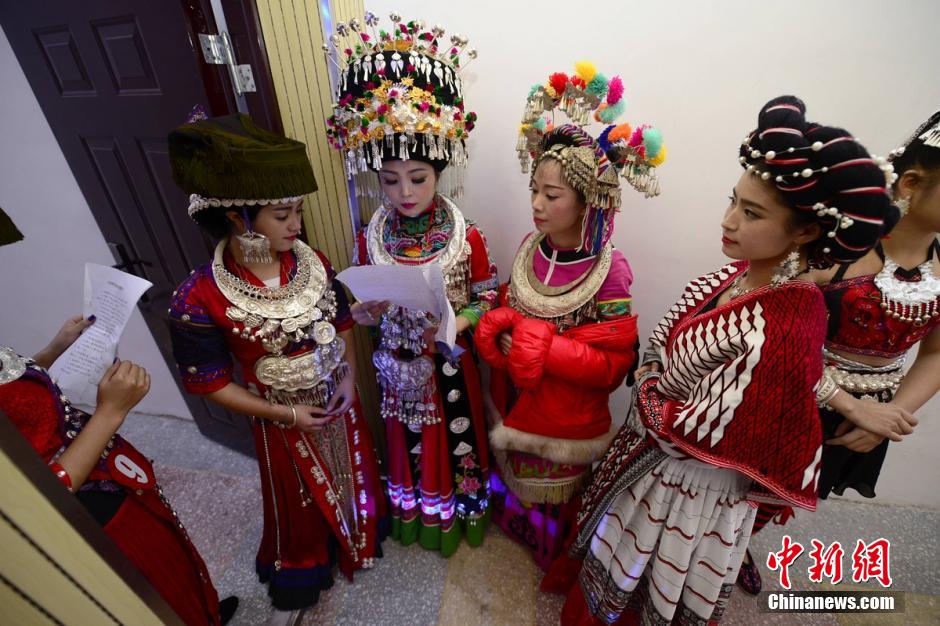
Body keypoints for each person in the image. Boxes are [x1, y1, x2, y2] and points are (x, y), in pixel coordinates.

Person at [562, 96, 898, 624]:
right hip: (660, 465)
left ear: (806, 233)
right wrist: (654, 369)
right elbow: (666, 339)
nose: (728, 221)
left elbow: (686, 432)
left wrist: (648, 379)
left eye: (751, 212)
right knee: (622, 560)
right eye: (733, 201)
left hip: (690, 487)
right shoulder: (736, 277)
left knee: (651, 573)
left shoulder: (784, 321)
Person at [165, 114, 385, 617]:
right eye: (283, 214)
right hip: (280, 421)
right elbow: (211, 385)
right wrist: (288, 416)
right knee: (299, 501)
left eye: (298, 211)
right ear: (239, 218)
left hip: (336, 400)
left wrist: (349, 375)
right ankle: (308, 562)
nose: (296, 225)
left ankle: (360, 537)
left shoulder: (313, 262)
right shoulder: (198, 297)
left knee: (355, 473)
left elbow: (341, 321)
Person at [737, 111, 940, 595]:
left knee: (793, 494)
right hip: (785, 397)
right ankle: (719, 547)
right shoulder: (836, 249)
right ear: (910, 183)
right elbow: (762, 329)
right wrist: (848, 403)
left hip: (864, 418)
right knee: (739, 489)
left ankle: (739, 542)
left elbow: (935, 353)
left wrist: (892, 413)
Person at [0, 209, 236, 625]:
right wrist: (110, 413)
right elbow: (31, 498)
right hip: (88, 512)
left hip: (105, 471)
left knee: (173, 563)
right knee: (152, 586)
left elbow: (10, 395)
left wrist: (53, 349)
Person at [474, 63, 665, 570]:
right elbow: (511, 305)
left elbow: (613, 363)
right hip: (517, 397)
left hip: (569, 416)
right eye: (534, 190)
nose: (535, 204)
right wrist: (490, 315)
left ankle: (556, 550)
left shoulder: (610, 270)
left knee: (559, 503)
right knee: (518, 484)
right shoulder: (527, 248)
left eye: (551, 195)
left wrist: (540, 346)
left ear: (587, 202)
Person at [325, 13, 496, 555]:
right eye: (389, 180)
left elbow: (490, 295)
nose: (403, 192)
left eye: (418, 178)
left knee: (455, 443)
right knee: (405, 445)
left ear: (440, 173)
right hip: (394, 367)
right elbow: (357, 310)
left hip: (448, 363)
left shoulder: (467, 235)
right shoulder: (368, 235)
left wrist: (459, 319)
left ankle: (458, 517)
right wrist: (368, 314)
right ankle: (413, 514)